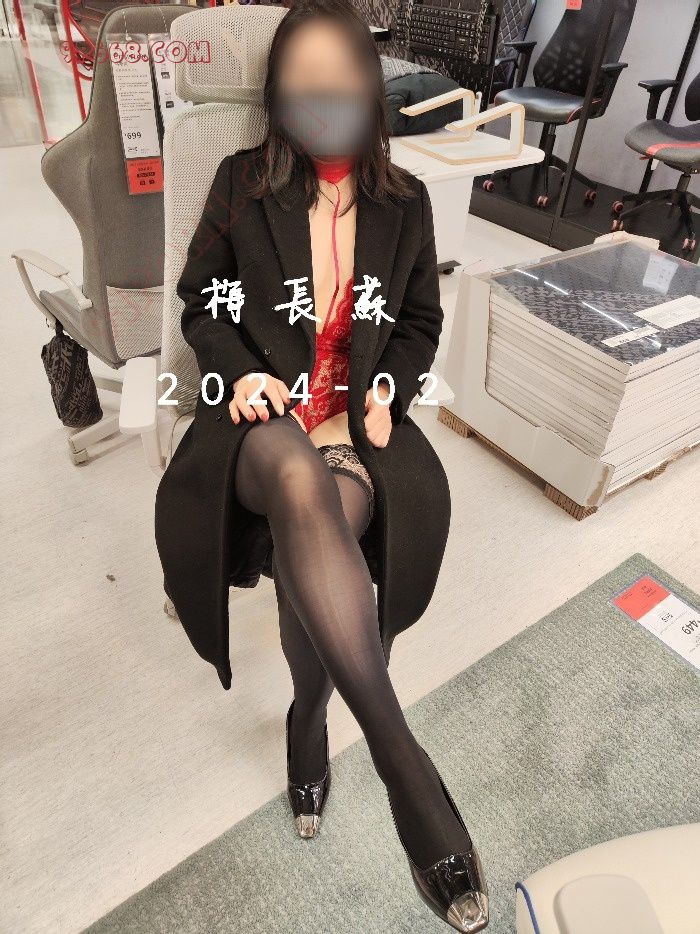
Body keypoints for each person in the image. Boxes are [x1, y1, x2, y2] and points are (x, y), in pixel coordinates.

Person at [155, 1, 488, 930]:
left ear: (369, 88)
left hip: (349, 423)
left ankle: (309, 716)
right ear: (276, 95)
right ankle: (404, 768)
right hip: (261, 419)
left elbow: (417, 322)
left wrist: (389, 391)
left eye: (339, 78)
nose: (323, 97)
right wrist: (240, 373)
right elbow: (200, 302)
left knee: (327, 521)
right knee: (296, 478)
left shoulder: (405, 201)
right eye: (302, 81)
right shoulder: (241, 181)